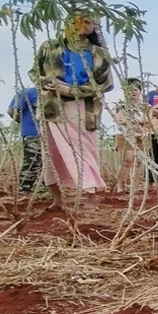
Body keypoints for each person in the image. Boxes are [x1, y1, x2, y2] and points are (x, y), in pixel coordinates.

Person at [30, 12, 112, 208]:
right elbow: (35, 71)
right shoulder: (50, 47)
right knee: (51, 152)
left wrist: (70, 90)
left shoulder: (98, 53)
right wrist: (46, 84)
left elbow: (104, 84)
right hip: (52, 107)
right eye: (78, 21)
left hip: (83, 107)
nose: (82, 25)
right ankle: (57, 200)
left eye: (88, 22)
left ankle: (90, 198)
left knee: (84, 151)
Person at [112, 78, 148, 193]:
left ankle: (134, 187)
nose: (133, 92)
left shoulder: (145, 107)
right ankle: (121, 186)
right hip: (125, 135)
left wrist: (135, 123)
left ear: (140, 91)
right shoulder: (121, 106)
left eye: (136, 90)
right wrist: (135, 122)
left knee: (138, 162)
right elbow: (119, 120)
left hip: (141, 136)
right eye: (130, 90)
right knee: (126, 160)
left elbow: (148, 121)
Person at [7, 86, 42, 193]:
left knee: (46, 163)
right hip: (32, 133)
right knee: (32, 162)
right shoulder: (27, 92)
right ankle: (25, 188)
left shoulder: (54, 92)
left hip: (51, 135)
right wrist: (24, 123)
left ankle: (43, 188)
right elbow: (11, 111)